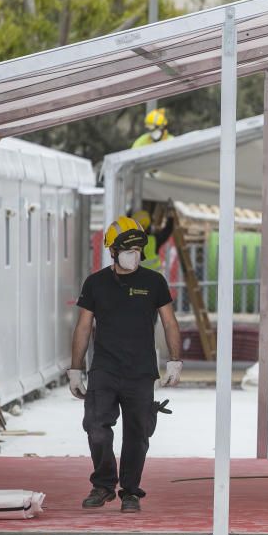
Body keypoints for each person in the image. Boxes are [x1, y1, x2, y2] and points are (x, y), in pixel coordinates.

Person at [68, 215, 183, 513]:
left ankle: (130, 492)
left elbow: (169, 323)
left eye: (137, 249)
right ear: (112, 251)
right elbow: (83, 327)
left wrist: (175, 361)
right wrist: (75, 369)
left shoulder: (153, 282)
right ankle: (104, 485)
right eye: (127, 249)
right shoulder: (96, 284)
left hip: (141, 373)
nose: (133, 255)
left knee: (137, 434)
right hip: (105, 370)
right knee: (96, 427)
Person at [130, 208, 175, 272]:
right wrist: (171, 218)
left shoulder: (130, 241)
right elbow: (167, 231)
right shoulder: (153, 240)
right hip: (155, 278)